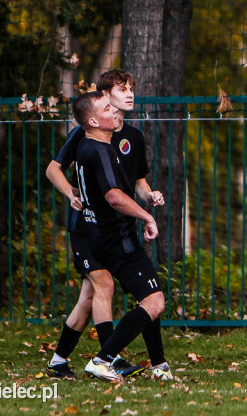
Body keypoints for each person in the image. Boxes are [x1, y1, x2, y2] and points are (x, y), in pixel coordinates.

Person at [44, 70, 172, 382]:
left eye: (131, 88)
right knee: (106, 285)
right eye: (120, 90)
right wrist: (72, 193)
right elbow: (54, 169)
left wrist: (148, 197)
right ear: (104, 97)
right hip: (88, 228)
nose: (128, 95)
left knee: (93, 293)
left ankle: (61, 360)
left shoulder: (132, 136)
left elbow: (134, 183)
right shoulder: (88, 133)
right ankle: (107, 359)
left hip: (117, 224)